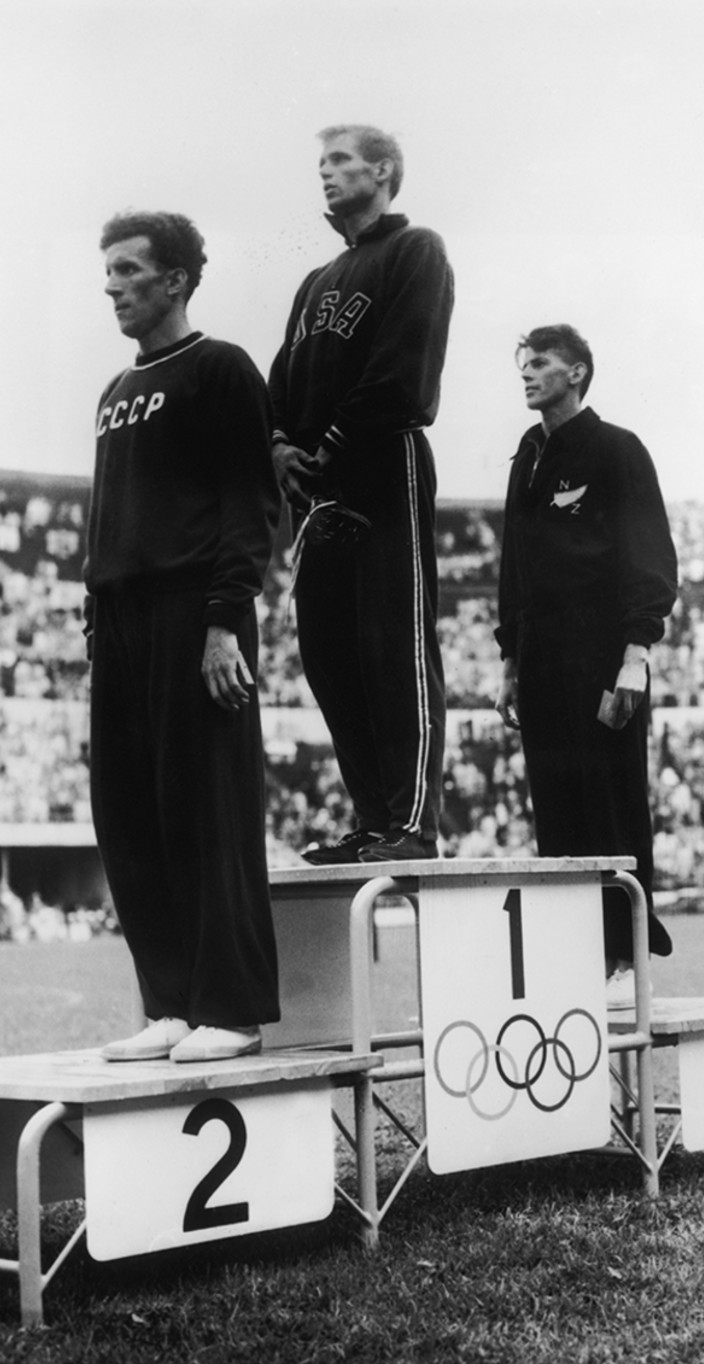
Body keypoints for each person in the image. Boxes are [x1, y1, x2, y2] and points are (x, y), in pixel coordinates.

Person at [84, 211, 280, 1062]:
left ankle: (230, 1009)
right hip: (120, 621)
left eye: (129, 270)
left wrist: (224, 620)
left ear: (175, 279)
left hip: (194, 611)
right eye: (109, 272)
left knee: (206, 810)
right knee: (129, 813)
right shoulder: (114, 393)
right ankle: (167, 1002)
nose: (113, 285)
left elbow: (249, 503)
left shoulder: (220, 369)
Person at [268, 124, 454, 864]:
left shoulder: (416, 250)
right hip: (316, 490)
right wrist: (279, 447)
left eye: (340, 160)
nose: (325, 172)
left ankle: (413, 823)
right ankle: (374, 820)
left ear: (384, 170)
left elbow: (407, 373)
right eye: (319, 162)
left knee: (393, 645)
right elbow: (280, 387)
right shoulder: (315, 283)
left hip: (382, 466)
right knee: (330, 655)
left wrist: (329, 445)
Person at [494, 325, 677, 1002]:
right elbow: (513, 568)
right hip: (541, 663)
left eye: (539, 362)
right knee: (559, 816)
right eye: (523, 362)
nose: (527, 372)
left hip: (603, 656)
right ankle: (579, 959)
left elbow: (650, 555)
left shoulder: (616, 449)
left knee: (612, 804)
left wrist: (636, 655)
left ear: (577, 371)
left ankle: (626, 959)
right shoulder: (527, 458)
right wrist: (509, 660)